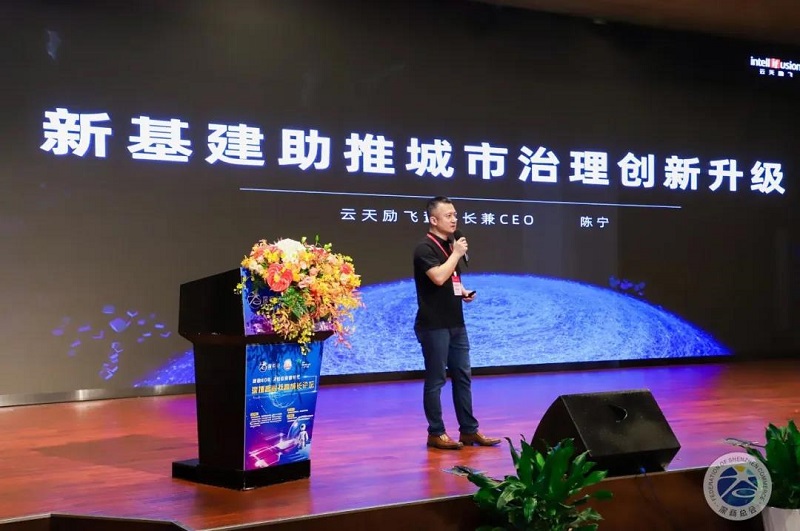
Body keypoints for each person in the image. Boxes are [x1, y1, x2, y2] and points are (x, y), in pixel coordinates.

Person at [413, 196, 501, 450]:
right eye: (448, 215)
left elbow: (451, 279)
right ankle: (436, 433)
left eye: (455, 215)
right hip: (434, 325)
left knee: (463, 376)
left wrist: (462, 291)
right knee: (436, 380)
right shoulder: (424, 248)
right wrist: (456, 254)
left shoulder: (450, 246)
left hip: (456, 323)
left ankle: (469, 431)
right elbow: (439, 277)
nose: (454, 219)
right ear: (433, 220)